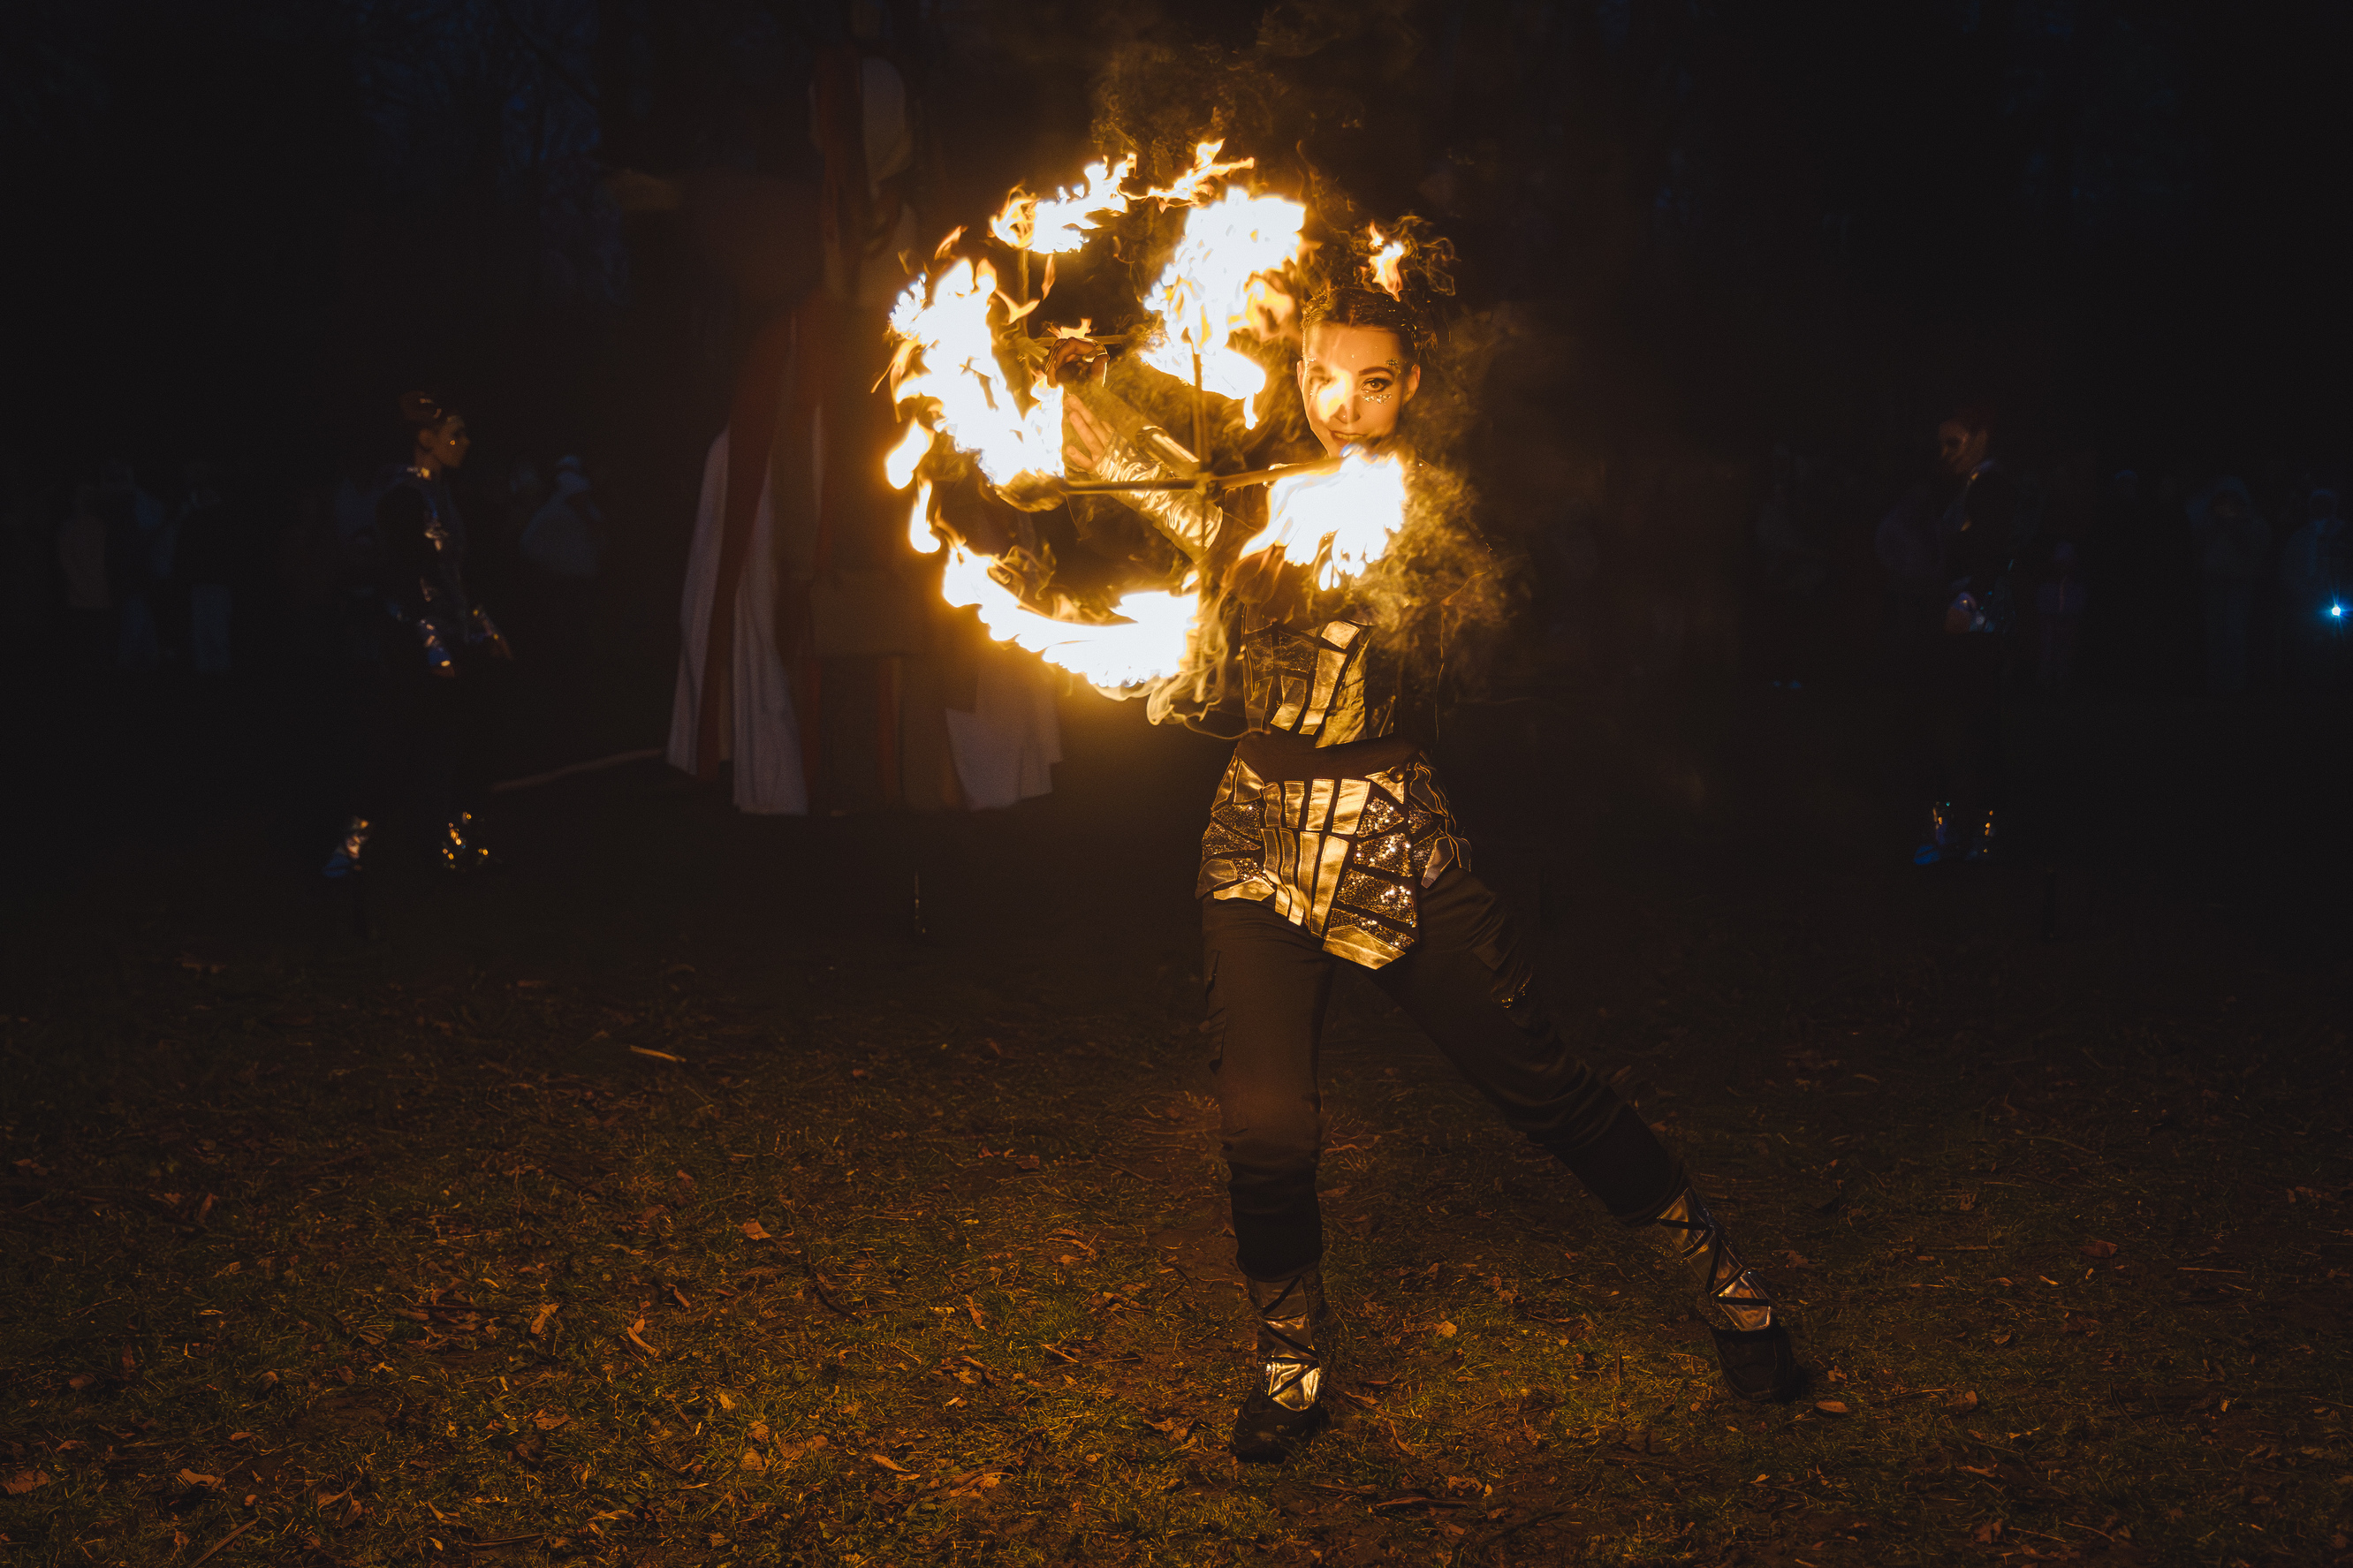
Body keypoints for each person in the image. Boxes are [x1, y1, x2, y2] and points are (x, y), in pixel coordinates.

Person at [1009, 284, 1799, 1460]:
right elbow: (1132, 470)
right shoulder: (1249, 496)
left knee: (1540, 1083)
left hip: (1390, 837)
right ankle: (1288, 1366)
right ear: (1294, 374)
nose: (1344, 403)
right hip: (1255, 846)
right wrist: (1066, 380)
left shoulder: (1430, 509)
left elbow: (1429, 597)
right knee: (1264, 1127)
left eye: (1372, 381)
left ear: (1410, 384)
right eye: (1323, 376)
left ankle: (1734, 1294)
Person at [323, 391, 513, 880]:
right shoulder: (403, 497)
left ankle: (454, 840)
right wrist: (432, 648)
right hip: (414, 644)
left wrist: (483, 626)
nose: (465, 442)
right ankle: (352, 846)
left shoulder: (445, 497)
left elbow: (455, 574)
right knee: (402, 739)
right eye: (455, 434)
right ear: (426, 439)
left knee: (464, 740)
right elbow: (406, 577)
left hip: (454, 640)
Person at [1877, 406, 2018, 863]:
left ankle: (1980, 828)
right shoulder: (1962, 486)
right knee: (1951, 723)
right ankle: (1953, 826)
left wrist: (1968, 600)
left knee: (1973, 724)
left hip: (1975, 624)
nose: (1944, 453)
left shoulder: (1992, 486)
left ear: (1980, 438)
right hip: (1958, 622)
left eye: (1953, 443)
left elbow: (1994, 552)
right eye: (1942, 444)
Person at [2188, 477, 2269, 696]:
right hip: (2213, 581)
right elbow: (2197, 548)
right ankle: (2214, 683)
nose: (2228, 504)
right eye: (2223, 499)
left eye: (2233, 499)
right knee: (2213, 632)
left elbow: (2258, 549)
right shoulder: (2206, 521)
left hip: (2240, 582)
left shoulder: (2252, 522)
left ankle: (2235, 684)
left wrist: (2236, 527)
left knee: (2235, 631)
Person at [2279, 487, 2348, 691]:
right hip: (2306, 600)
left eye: (2326, 505)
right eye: (2317, 504)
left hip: (2338, 599)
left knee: (2338, 644)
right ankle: (2307, 685)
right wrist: (2300, 591)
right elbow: (2289, 568)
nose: (2321, 509)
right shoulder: (2300, 536)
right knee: (2306, 644)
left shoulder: (2345, 534)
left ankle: (2336, 686)